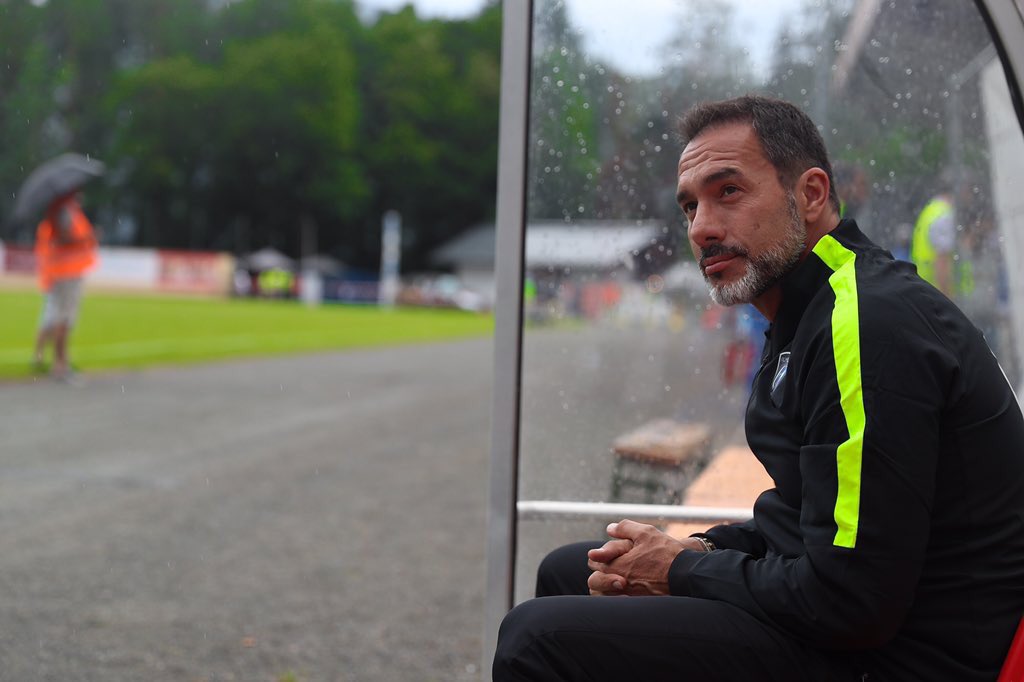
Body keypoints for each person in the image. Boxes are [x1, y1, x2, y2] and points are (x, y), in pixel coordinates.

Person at [493, 96, 1024, 681]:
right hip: (864, 623)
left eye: (729, 192)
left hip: (906, 656)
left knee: (534, 639)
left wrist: (679, 570)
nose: (702, 228)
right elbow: (805, 520)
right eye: (690, 206)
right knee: (575, 571)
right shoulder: (805, 310)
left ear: (812, 194)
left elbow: (852, 601)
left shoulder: (865, 321)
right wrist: (702, 549)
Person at [33, 192, 98, 381]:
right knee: (63, 319)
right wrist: (87, 238)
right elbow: (62, 240)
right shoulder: (63, 213)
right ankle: (60, 364)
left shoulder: (58, 212)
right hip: (67, 272)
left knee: (55, 317)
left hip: (63, 272)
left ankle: (53, 360)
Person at [910, 188, 957, 297]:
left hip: (925, 291)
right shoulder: (944, 215)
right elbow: (942, 262)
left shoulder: (930, 210)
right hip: (937, 296)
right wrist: (948, 303)